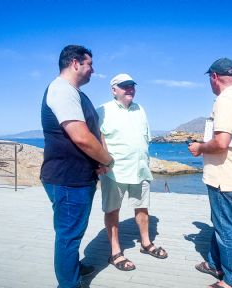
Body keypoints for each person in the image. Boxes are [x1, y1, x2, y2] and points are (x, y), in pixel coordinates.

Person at [40, 45, 114, 288]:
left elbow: (95, 130)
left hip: (79, 177)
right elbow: (81, 137)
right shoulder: (61, 90)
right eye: (90, 64)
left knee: (73, 232)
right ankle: (68, 283)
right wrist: (107, 160)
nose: (93, 69)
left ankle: (72, 268)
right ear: (75, 63)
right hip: (67, 179)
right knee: (68, 236)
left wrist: (99, 160)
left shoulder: (76, 93)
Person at [188, 58, 232, 288]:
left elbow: (221, 142)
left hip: (223, 176)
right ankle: (215, 263)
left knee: (226, 228)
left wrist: (199, 147)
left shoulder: (225, 100)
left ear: (214, 77)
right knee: (220, 222)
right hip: (231, 172)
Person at [96, 73, 168, 272]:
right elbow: (97, 138)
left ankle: (146, 243)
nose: (130, 89)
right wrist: (101, 163)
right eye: (124, 86)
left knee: (142, 207)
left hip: (140, 169)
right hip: (114, 172)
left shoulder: (140, 109)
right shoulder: (103, 110)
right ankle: (115, 252)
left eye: (132, 86)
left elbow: (144, 139)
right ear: (114, 90)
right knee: (112, 211)